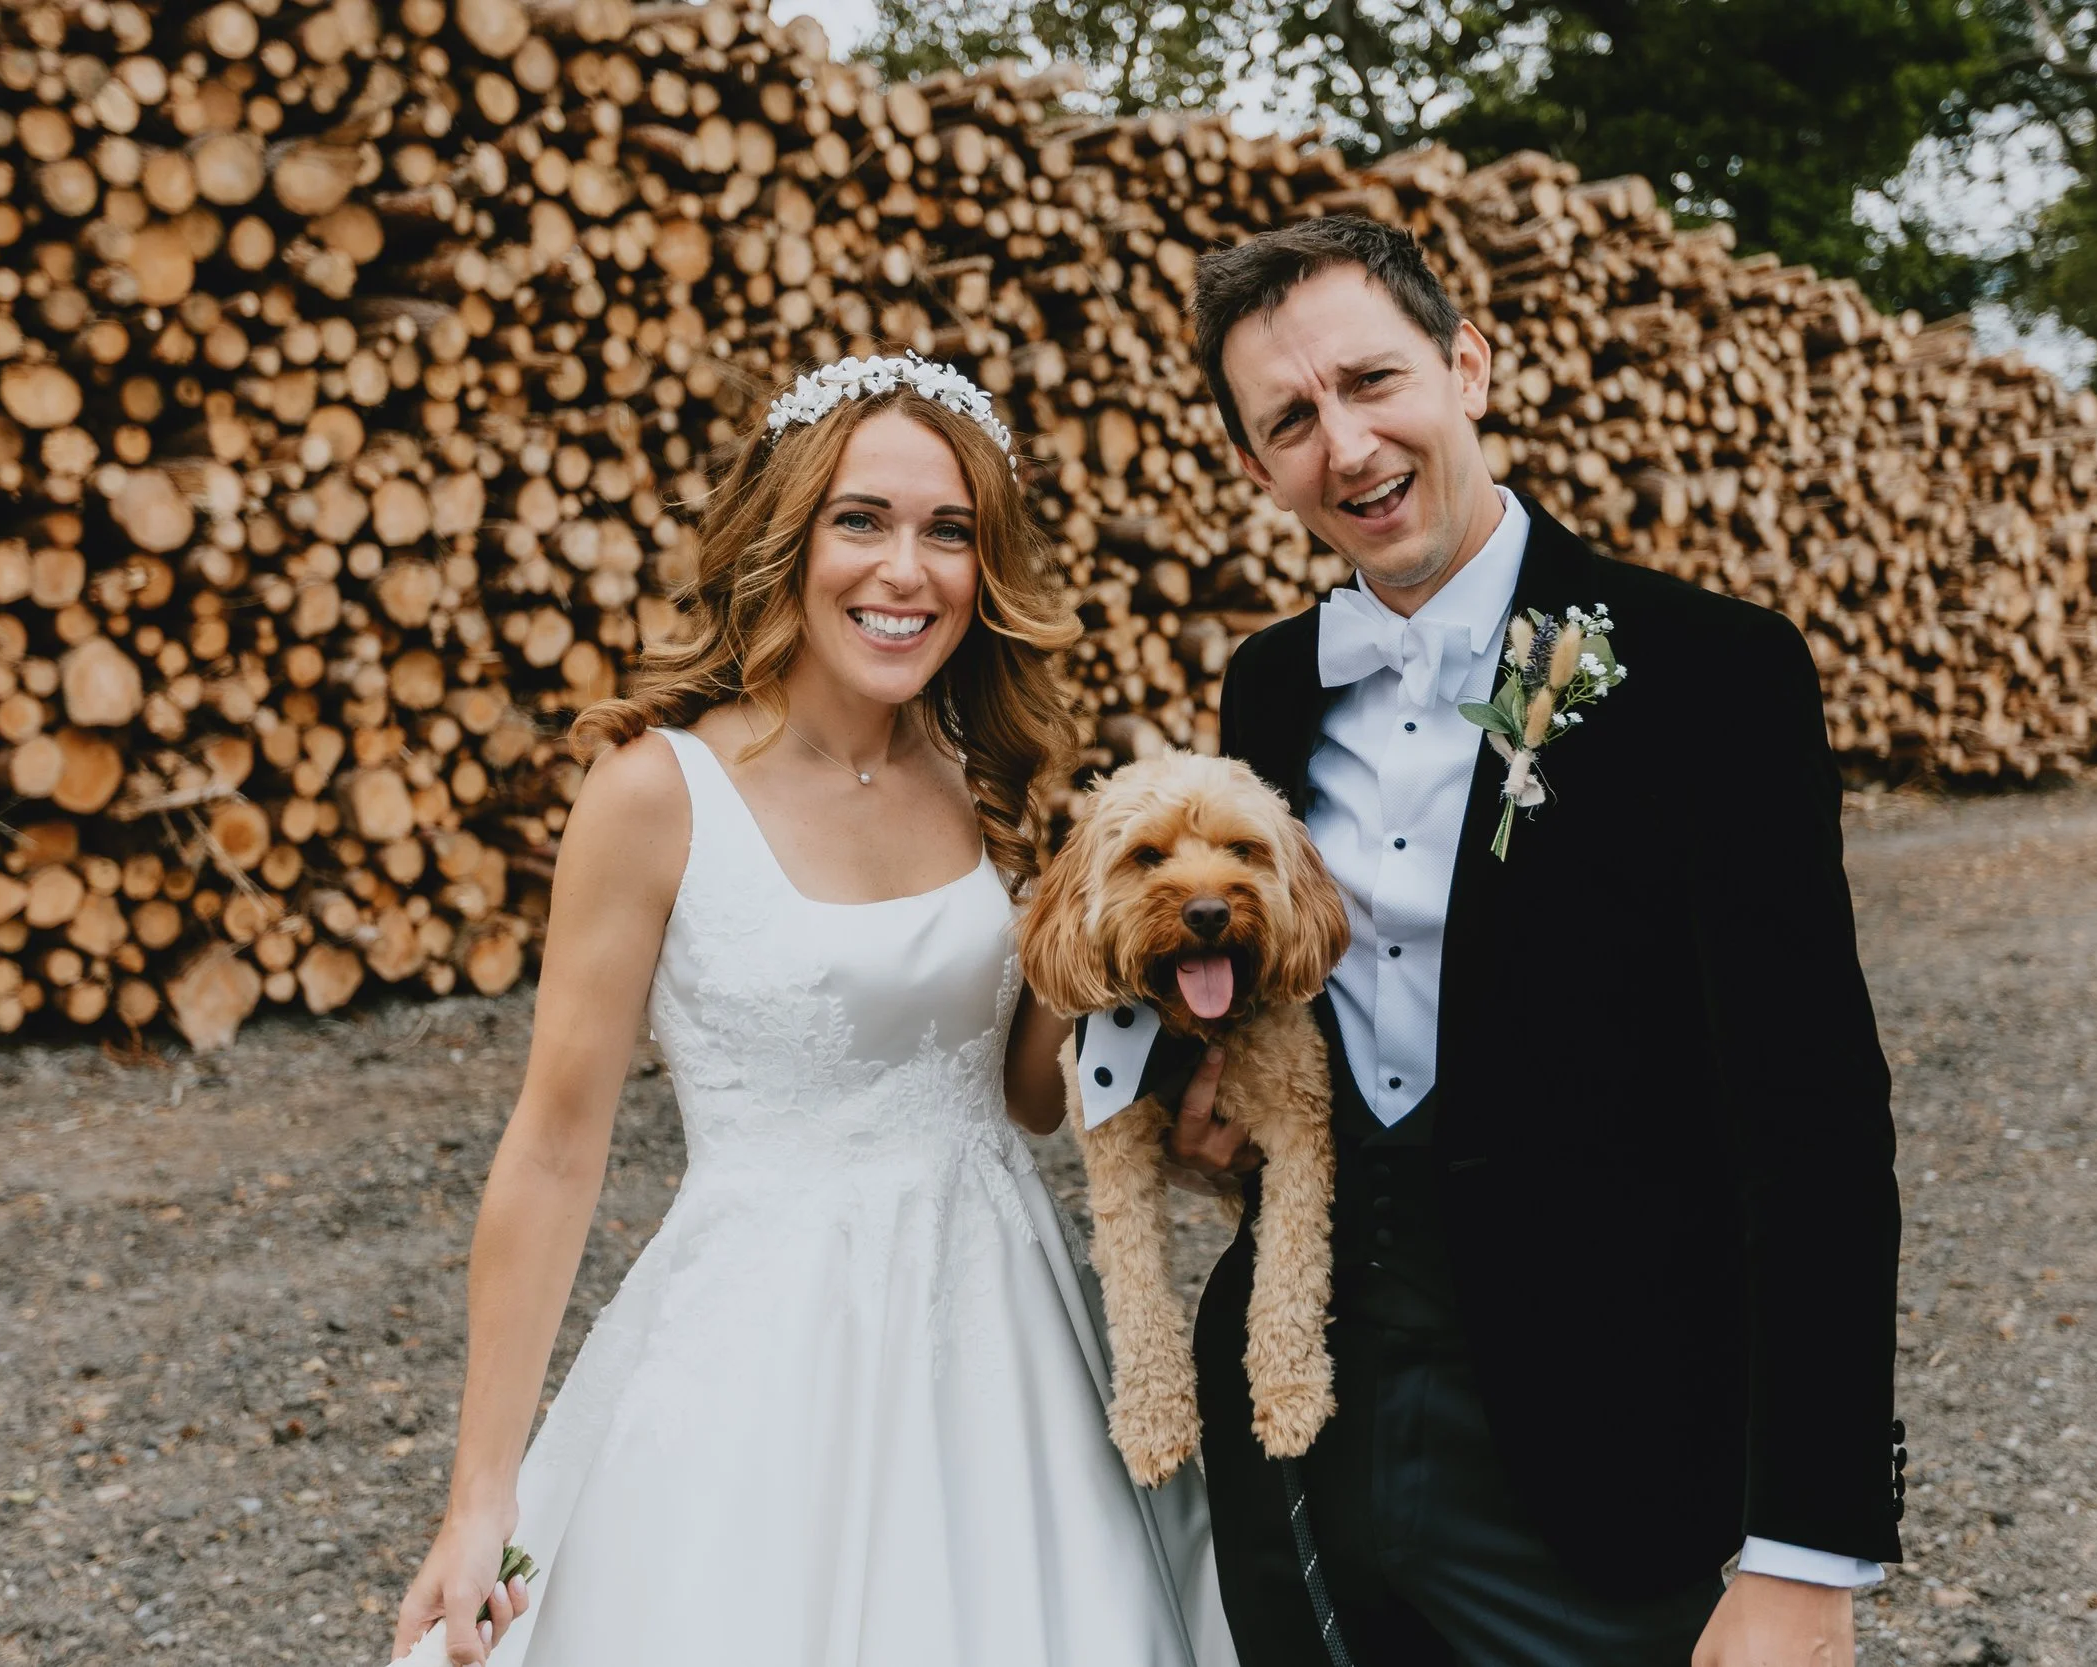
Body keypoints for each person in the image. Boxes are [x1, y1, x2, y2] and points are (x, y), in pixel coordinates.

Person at [389, 355, 1235, 1667]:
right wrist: (478, 1494)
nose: (907, 569)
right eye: (862, 520)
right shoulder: (653, 791)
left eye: (949, 532)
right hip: (766, 1335)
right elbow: (555, 1148)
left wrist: (1097, 954)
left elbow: (1017, 1098)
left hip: (1005, 1328)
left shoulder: (976, 771)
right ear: (786, 535)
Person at [1160, 217, 1905, 1666]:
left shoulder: (1711, 673)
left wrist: (1806, 1549)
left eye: (1375, 381)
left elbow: (1815, 1122)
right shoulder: (1266, 691)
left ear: (1469, 366)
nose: (1349, 443)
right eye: (1292, 420)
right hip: (1302, 1440)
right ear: (1256, 467)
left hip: (1599, 1453)